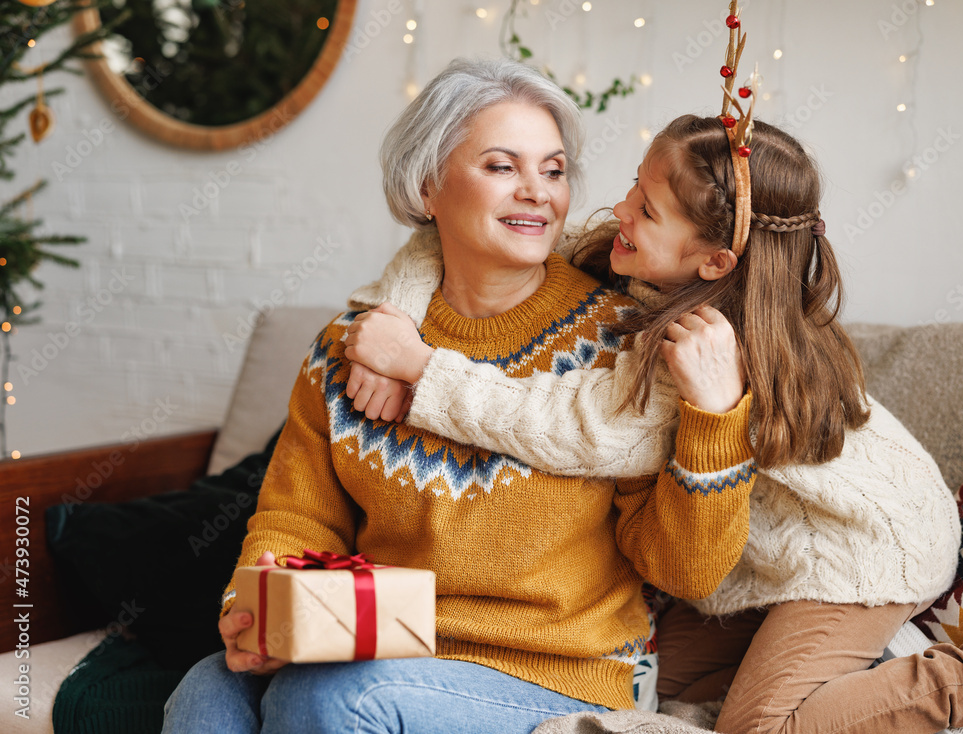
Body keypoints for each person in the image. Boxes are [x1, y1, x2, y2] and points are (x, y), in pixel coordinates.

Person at [341, 113, 963, 734]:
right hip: (785, 559)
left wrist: (423, 370)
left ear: (713, 263)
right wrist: (395, 315)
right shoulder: (632, 255)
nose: (622, 208)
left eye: (648, 210)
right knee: (662, 678)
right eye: (636, 183)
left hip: (867, 550)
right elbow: (449, 237)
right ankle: (865, 664)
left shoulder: (702, 346)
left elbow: (580, 429)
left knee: (755, 726)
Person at [161, 59, 758, 734]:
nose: (538, 192)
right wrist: (258, 606)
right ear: (427, 187)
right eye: (503, 167)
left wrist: (715, 423)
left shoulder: (622, 347)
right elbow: (298, 519)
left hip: (559, 675)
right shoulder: (352, 348)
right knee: (205, 689)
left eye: (554, 170)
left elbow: (684, 569)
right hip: (382, 649)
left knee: (334, 699)